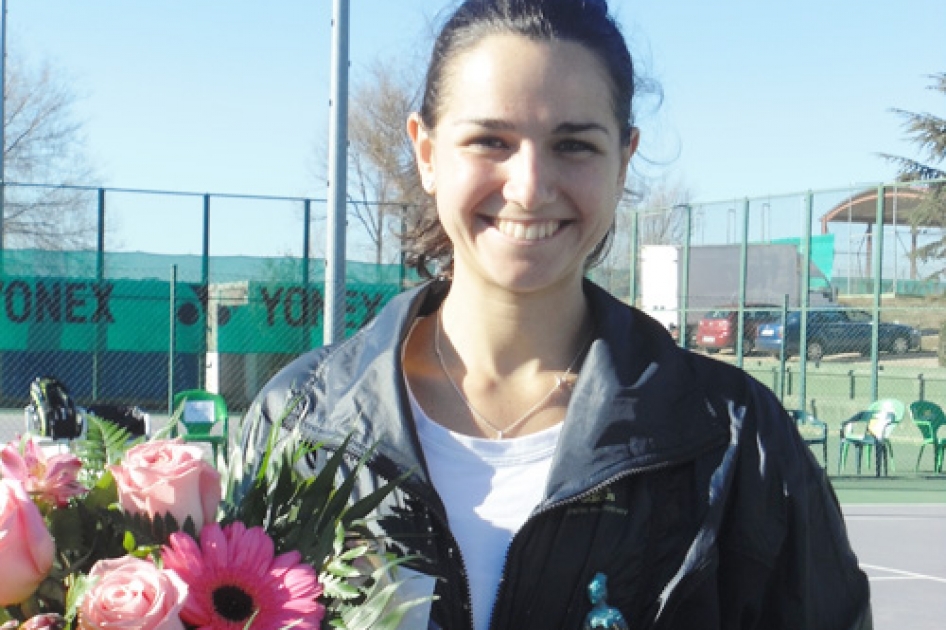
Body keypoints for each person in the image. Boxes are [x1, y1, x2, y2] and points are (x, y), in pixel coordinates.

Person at [239, 0, 872, 628]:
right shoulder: (303, 423)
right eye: (490, 140)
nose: (530, 186)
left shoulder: (737, 441)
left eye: (574, 145)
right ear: (427, 154)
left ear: (624, 160)